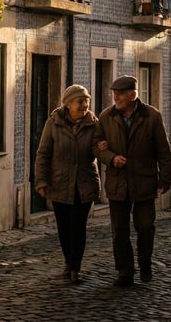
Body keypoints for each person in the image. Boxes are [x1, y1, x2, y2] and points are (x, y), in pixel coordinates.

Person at [94, 74, 171, 287]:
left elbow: (163, 152)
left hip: (144, 182)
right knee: (119, 231)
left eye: (120, 94)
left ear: (133, 96)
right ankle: (125, 271)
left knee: (145, 227)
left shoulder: (152, 116)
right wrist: (111, 158)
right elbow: (97, 146)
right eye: (114, 94)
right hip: (118, 183)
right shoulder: (106, 117)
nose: (116, 98)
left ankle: (145, 264)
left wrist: (164, 180)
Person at [34, 84, 102, 284]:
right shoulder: (53, 124)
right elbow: (43, 154)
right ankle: (67, 262)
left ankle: (75, 268)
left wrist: (104, 147)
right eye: (80, 101)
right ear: (68, 104)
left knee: (78, 227)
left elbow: (98, 151)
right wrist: (41, 181)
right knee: (64, 227)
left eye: (86, 101)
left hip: (84, 184)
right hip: (60, 183)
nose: (84, 105)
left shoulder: (94, 124)